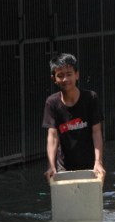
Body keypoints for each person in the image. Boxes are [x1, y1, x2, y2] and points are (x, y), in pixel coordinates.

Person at [42, 53, 105, 181]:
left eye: (69, 74)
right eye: (60, 75)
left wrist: (98, 162)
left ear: (77, 74)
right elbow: (52, 137)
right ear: (54, 78)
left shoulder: (91, 98)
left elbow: (97, 132)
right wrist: (51, 166)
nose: (65, 79)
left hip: (90, 166)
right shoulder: (52, 103)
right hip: (63, 168)